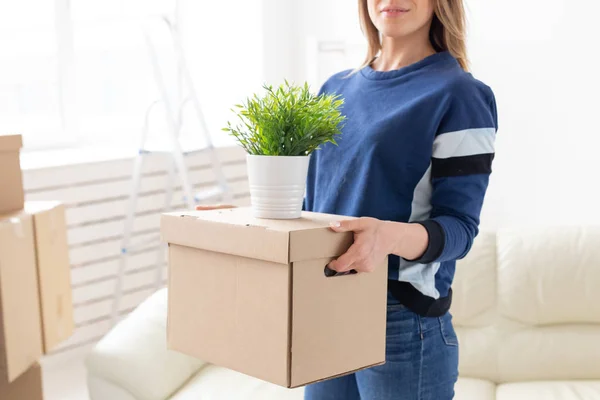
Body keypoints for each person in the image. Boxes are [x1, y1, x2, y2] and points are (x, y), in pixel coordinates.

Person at [198, 0, 497, 398]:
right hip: (323, 303)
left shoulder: (460, 95)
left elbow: (459, 230)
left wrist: (386, 237)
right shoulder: (335, 89)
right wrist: (250, 219)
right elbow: (314, 204)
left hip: (400, 319)